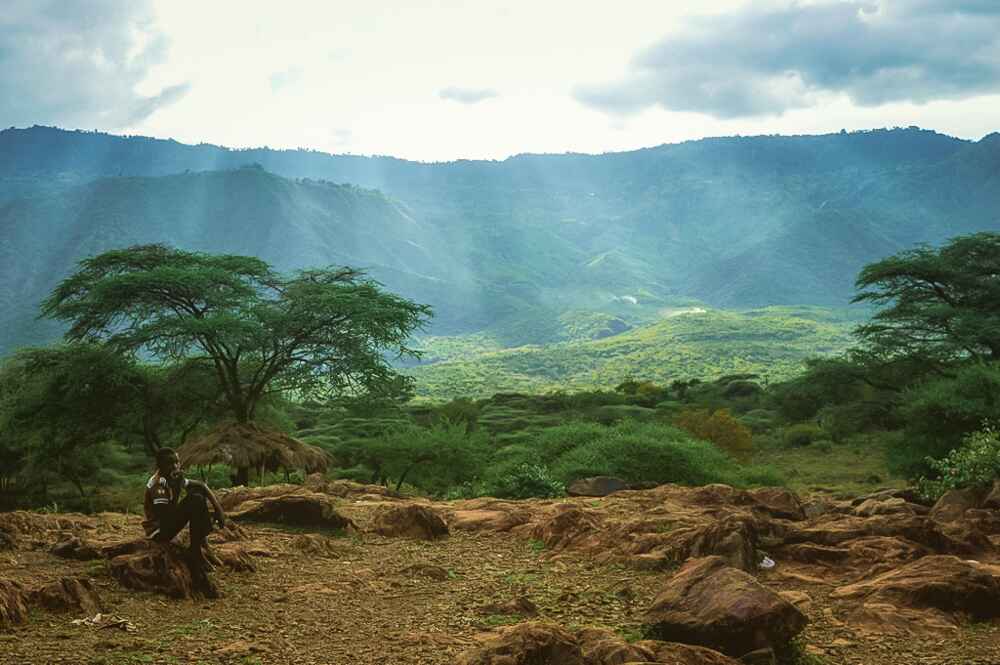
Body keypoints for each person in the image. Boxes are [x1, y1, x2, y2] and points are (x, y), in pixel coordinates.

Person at [143, 448, 227, 575]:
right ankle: (196, 551)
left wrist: (219, 509)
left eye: (177, 462)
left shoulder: (171, 478)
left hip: (168, 524)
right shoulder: (158, 485)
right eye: (170, 463)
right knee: (195, 500)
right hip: (158, 532)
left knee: (197, 495)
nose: (175, 466)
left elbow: (201, 485)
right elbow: (164, 517)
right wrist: (176, 489)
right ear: (160, 466)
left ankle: (200, 548)